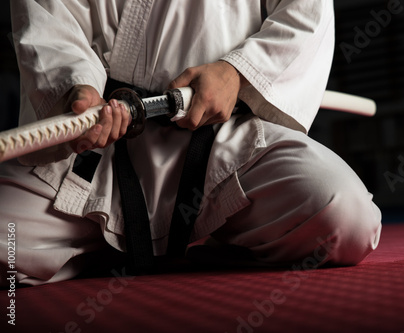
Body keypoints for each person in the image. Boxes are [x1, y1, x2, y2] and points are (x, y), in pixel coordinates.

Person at [0, 0, 381, 286]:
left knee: (344, 217)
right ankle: (106, 241)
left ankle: (216, 232)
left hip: (224, 141)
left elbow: (304, 13)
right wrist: (75, 89)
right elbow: (48, 19)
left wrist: (236, 72)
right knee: (6, 243)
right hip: (94, 147)